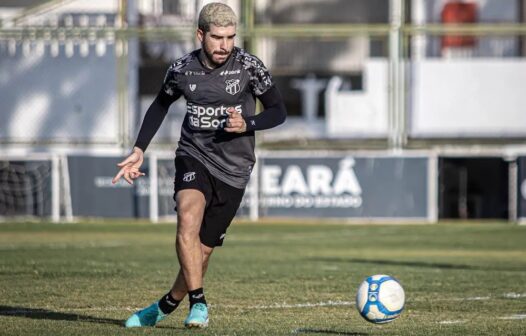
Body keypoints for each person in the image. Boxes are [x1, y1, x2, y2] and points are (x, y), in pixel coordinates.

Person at [112, 2, 287, 329]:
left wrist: (247, 123)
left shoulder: (249, 66)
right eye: (218, 37)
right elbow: (159, 105)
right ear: (200, 34)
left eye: (230, 37)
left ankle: (165, 305)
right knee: (187, 216)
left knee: (201, 253)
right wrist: (139, 149)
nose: (225, 45)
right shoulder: (182, 69)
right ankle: (199, 303)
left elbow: (278, 111)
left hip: (235, 170)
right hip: (194, 154)